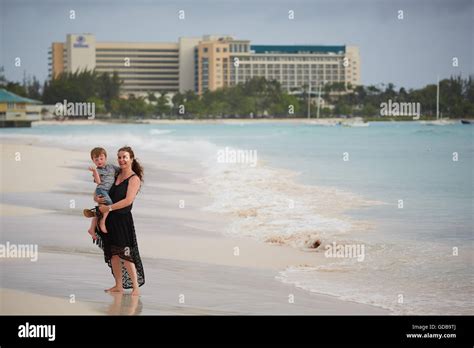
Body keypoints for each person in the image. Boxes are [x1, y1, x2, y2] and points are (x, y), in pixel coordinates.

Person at [94, 146, 145, 296]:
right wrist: (96, 198)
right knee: (113, 254)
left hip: (123, 220)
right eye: (119, 157)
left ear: (131, 159)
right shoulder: (114, 174)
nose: (121, 160)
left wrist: (108, 209)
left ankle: (135, 287)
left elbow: (128, 201)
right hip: (110, 220)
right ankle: (118, 285)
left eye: (125, 157)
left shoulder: (134, 179)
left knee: (125, 254)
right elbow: (99, 189)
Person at [84, 147, 119, 238]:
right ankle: (102, 222)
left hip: (108, 191)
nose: (99, 161)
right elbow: (99, 182)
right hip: (101, 190)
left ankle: (92, 229)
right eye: (96, 159)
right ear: (93, 161)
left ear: (105, 158)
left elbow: (121, 171)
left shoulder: (111, 167)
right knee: (109, 204)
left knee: (99, 211)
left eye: (101, 158)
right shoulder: (97, 171)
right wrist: (95, 171)